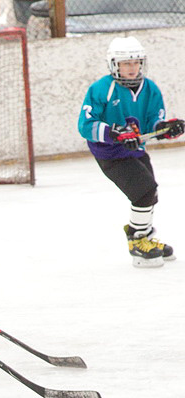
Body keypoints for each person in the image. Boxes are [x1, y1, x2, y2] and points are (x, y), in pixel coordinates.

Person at [77, 36, 183, 268]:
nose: (132, 68)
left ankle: (144, 238)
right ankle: (137, 242)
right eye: (126, 63)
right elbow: (85, 125)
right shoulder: (101, 89)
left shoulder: (150, 88)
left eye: (135, 63)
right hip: (110, 152)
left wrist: (164, 129)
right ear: (114, 64)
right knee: (145, 192)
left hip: (136, 148)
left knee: (150, 194)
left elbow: (154, 120)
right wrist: (114, 133)